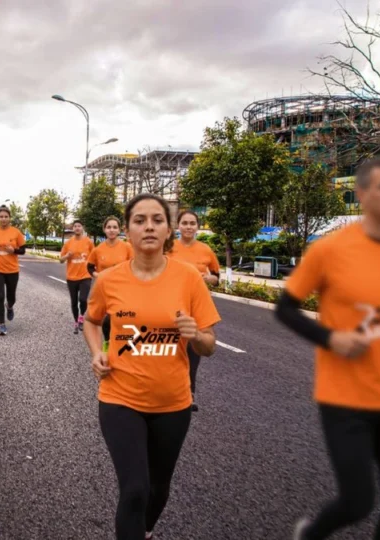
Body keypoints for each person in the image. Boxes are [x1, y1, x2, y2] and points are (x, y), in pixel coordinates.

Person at [277, 155, 380, 540]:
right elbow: (285, 308)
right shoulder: (331, 250)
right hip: (345, 400)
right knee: (358, 501)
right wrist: (331, 338)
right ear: (361, 194)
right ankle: (310, 534)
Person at [82, 193, 221, 540]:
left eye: (157, 220)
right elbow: (92, 320)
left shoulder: (188, 278)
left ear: (168, 229)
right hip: (119, 399)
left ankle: (141, 531)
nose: (148, 227)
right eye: (139, 220)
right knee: (134, 490)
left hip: (173, 403)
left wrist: (195, 335)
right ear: (127, 229)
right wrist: (97, 351)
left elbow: (209, 346)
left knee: (158, 490)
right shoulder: (109, 280)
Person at [168, 210, 221, 412]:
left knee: (193, 349)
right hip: (171, 305)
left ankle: (189, 394)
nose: (189, 226)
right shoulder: (170, 248)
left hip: (196, 307)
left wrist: (210, 279)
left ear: (197, 226)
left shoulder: (206, 250)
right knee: (169, 349)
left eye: (192, 223)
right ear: (178, 226)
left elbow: (216, 276)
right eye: (185, 223)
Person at [87, 216, 134, 351]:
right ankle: (108, 344)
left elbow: (134, 266)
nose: (112, 230)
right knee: (107, 321)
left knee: (121, 318)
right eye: (109, 227)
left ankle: (124, 346)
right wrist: (99, 275)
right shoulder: (98, 249)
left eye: (115, 227)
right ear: (104, 229)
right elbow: (90, 267)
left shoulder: (127, 247)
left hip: (124, 290)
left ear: (119, 230)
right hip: (105, 290)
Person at [0, 205, 26, 336]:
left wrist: (14, 250)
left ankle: (10, 306)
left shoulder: (16, 232)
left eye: (6, 216)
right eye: (1, 216)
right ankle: (2, 324)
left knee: (11, 297)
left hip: (12, 270)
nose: (3, 219)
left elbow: (23, 250)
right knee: (0, 296)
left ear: (9, 218)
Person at [61, 220, 95, 335]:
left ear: (82, 228)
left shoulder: (88, 242)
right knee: (74, 302)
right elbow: (61, 260)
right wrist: (67, 256)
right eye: (75, 226)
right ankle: (76, 321)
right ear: (73, 228)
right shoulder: (68, 243)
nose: (77, 228)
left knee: (83, 299)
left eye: (79, 226)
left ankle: (81, 317)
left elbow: (95, 256)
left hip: (85, 275)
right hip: (71, 277)